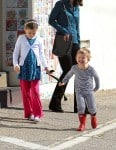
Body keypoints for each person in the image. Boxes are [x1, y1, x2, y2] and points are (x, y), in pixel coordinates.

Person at [48, 0, 83, 113]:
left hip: (75, 42)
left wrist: (79, 43)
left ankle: (78, 106)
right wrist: (63, 31)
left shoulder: (77, 7)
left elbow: (77, 26)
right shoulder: (61, 4)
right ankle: (55, 103)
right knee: (67, 70)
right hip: (63, 41)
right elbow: (51, 20)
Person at [13, 19, 50, 122]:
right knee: (26, 92)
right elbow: (15, 53)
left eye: (33, 33)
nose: (31, 34)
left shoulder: (39, 39)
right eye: (29, 32)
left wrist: (46, 67)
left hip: (35, 69)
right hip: (24, 68)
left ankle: (37, 113)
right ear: (25, 30)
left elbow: (42, 55)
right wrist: (15, 64)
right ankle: (29, 114)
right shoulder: (21, 39)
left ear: (36, 31)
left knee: (35, 91)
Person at [59, 48, 100, 131]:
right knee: (81, 107)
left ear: (88, 59)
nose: (80, 59)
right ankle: (82, 124)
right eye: (79, 57)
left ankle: (93, 117)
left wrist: (96, 88)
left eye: (83, 58)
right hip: (79, 91)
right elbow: (69, 75)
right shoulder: (74, 68)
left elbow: (97, 78)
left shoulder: (91, 69)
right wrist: (63, 81)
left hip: (89, 91)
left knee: (92, 107)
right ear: (76, 58)